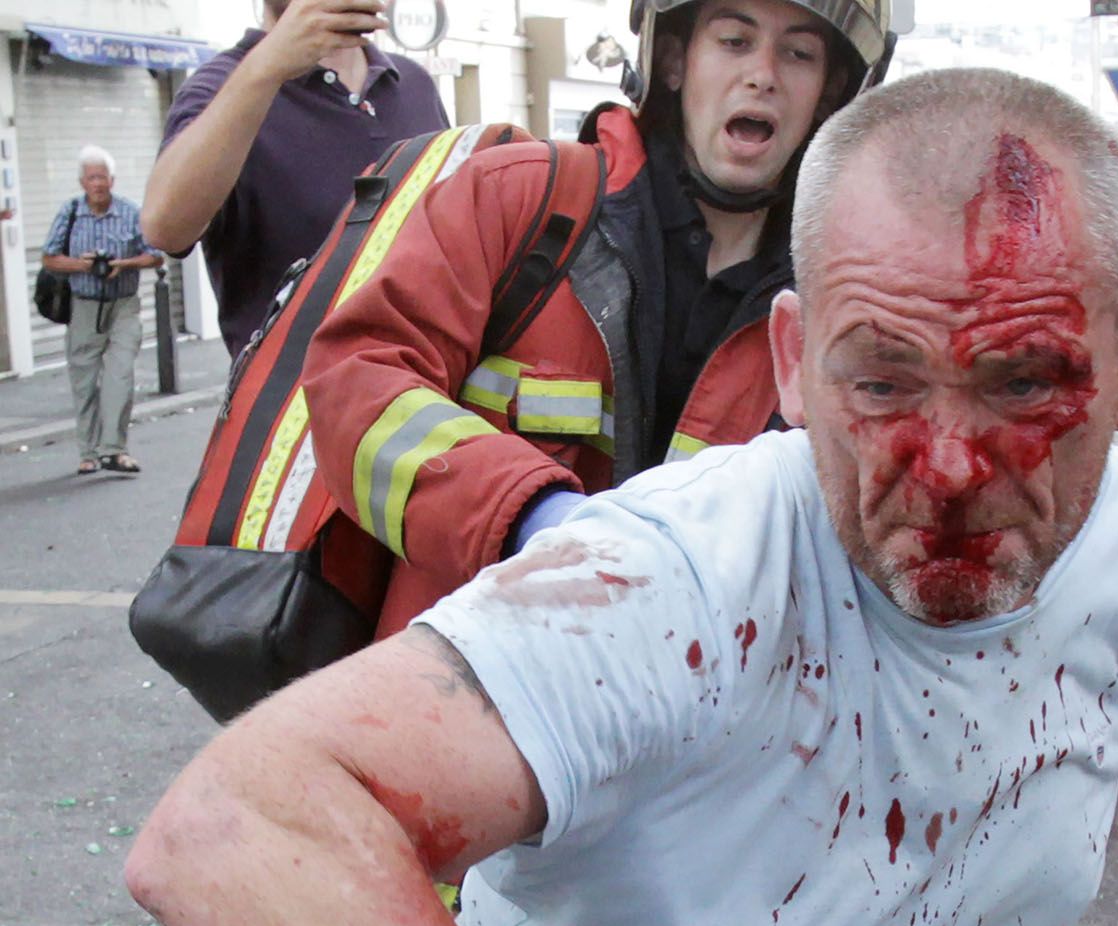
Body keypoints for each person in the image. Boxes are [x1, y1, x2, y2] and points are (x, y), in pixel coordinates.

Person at [125, 67, 1118, 926]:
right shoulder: (677, 585)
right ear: (791, 361)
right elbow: (240, 832)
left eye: (1024, 382)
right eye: (880, 380)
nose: (948, 468)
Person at [296, 0, 891, 640]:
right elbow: (355, 383)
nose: (763, 75)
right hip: (463, 671)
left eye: (798, 53)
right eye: (733, 41)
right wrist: (527, 514)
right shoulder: (516, 198)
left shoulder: (841, 306)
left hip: (679, 690)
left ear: (830, 92)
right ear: (672, 61)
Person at [143, 0, 448, 358]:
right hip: (299, 389)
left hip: (430, 380)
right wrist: (266, 68)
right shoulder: (224, 86)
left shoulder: (415, 83)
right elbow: (164, 229)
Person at [42, 146, 164, 476]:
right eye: (92, 177)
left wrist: (124, 263)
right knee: (84, 381)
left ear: (113, 180)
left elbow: (155, 255)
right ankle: (88, 453)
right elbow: (49, 258)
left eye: (103, 177)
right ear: (82, 182)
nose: (98, 183)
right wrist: (82, 265)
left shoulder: (130, 212)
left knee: (120, 376)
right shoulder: (70, 212)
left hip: (123, 305)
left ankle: (115, 450)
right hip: (84, 306)